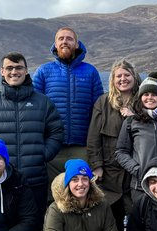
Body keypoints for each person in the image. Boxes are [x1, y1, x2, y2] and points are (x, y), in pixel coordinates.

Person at [0, 53, 64, 215]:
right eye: (9, 68)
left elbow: (56, 131)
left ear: (26, 71)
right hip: (0, 179)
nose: (14, 72)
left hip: (34, 180)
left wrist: (43, 154)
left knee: (35, 225)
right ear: (2, 71)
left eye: (19, 67)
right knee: (2, 227)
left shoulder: (43, 102)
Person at [86, 58, 140, 231]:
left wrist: (136, 116)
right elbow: (93, 139)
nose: (123, 79)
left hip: (135, 172)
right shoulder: (103, 102)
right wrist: (96, 166)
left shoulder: (142, 101)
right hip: (109, 172)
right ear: (112, 80)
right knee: (112, 220)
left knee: (137, 218)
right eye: (118, 76)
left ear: (134, 77)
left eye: (127, 75)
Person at [33, 26, 104, 182]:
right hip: (52, 146)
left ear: (77, 44)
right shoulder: (44, 71)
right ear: (55, 44)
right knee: (51, 195)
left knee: (81, 191)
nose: (65, 41)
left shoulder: (91, 72)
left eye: (69, 38)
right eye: (61, 38)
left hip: (82, 146)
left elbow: (99, 110)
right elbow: (33, 109)